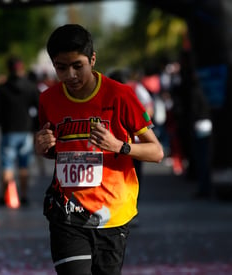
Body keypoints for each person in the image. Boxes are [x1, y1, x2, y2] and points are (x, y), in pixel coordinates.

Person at [34, 24, 164, 275]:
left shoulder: (120, 96)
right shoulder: (48, 99)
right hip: (67, 212)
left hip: (112, 213)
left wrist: (119, 146)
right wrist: (42, 146)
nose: (70, 75)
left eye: (77, 66)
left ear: (92, 59)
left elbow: (157, 152)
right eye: (61, 68)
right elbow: (52, 148)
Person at [0, 57, 39, 206]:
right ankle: (24, 195)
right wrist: (36, 128)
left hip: (8, 131)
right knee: (24, 166)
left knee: (7, 165)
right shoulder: (30, 87)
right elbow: (39, 108)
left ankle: (4, 195)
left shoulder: (3, 88)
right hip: (25, 131)